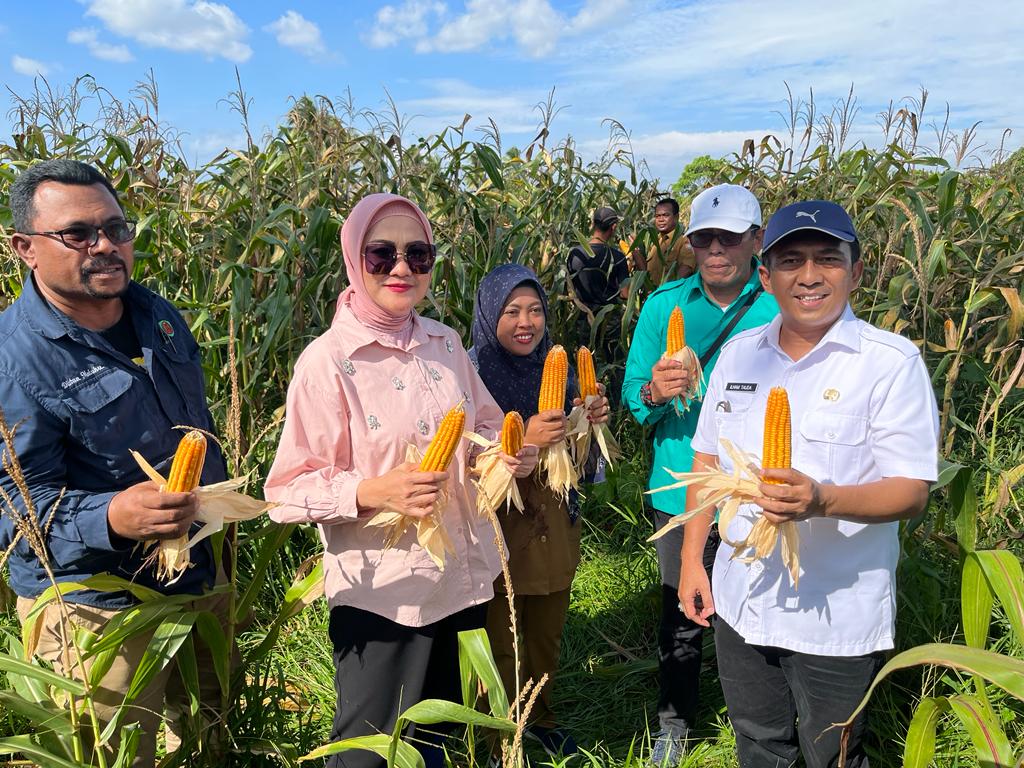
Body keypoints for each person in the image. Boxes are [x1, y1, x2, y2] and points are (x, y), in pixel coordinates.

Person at [263, 194, 538, 768]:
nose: (401, 268)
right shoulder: (327, 362)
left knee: (435, 744)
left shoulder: (445, 343)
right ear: (352, 258)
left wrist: (507, 457)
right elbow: (285, 491)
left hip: (460, 579)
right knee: (369, 754)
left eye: (418, 254)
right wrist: (370, 492)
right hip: (385, 596)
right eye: (381, 253)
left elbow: (487, 427)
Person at [679, 201, 939, 768]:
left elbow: (912, 489)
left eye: (828, 259)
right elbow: (706, 462)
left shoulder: (890, 363)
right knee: (759, 743)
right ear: (766, 276)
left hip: (835, 609)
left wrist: (823, 499)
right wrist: (692, 562)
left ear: (858, 270)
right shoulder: (738, 356)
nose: (810, 275)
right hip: (740, 598)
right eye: (791, 261)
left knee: (835, 754)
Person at [0, 159, 229, 766]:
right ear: (24, 247)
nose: (106, 246)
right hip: (98, 611)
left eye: (117, 229)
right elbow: (13, 509)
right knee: (122, 756)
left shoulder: (159, 316)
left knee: (208, 738)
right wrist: (111, 517)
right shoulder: (14, 362)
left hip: (197, 572)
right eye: (78, 234)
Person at [622, 183, 778, 763]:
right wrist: (654, 391)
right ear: (690, 243)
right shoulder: (665, 305)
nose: (716, 250)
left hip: (754, 490)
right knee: (680, 608)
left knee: (753, 607)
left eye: (730, 238)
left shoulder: (781, 304)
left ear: (756, 241)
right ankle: (674, 720)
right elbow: (633, 396)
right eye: (704, 238)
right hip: (680, 483)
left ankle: (757, 723)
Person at [470, 264, 611, 758]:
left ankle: (541, 717)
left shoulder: (565, 374)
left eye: (535, 310)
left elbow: (587, 470)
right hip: (497, 524)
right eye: (512, 311)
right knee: (500, 636)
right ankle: (496, 734)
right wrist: (523, 438)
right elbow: (462, 462)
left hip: (552, 522)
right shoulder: (470, 375)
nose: (525, 322)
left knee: (546, 635)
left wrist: (588, 426)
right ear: (489, 315)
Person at [641, 197, 695, 286]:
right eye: (658, 216)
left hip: (670, 296)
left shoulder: (684, 242)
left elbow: (685, 271)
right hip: (653, 296)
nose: (661, 219)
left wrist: (664, 293)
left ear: (676, 217)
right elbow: (646, 272)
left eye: (665, 215)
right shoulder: (655, 242)